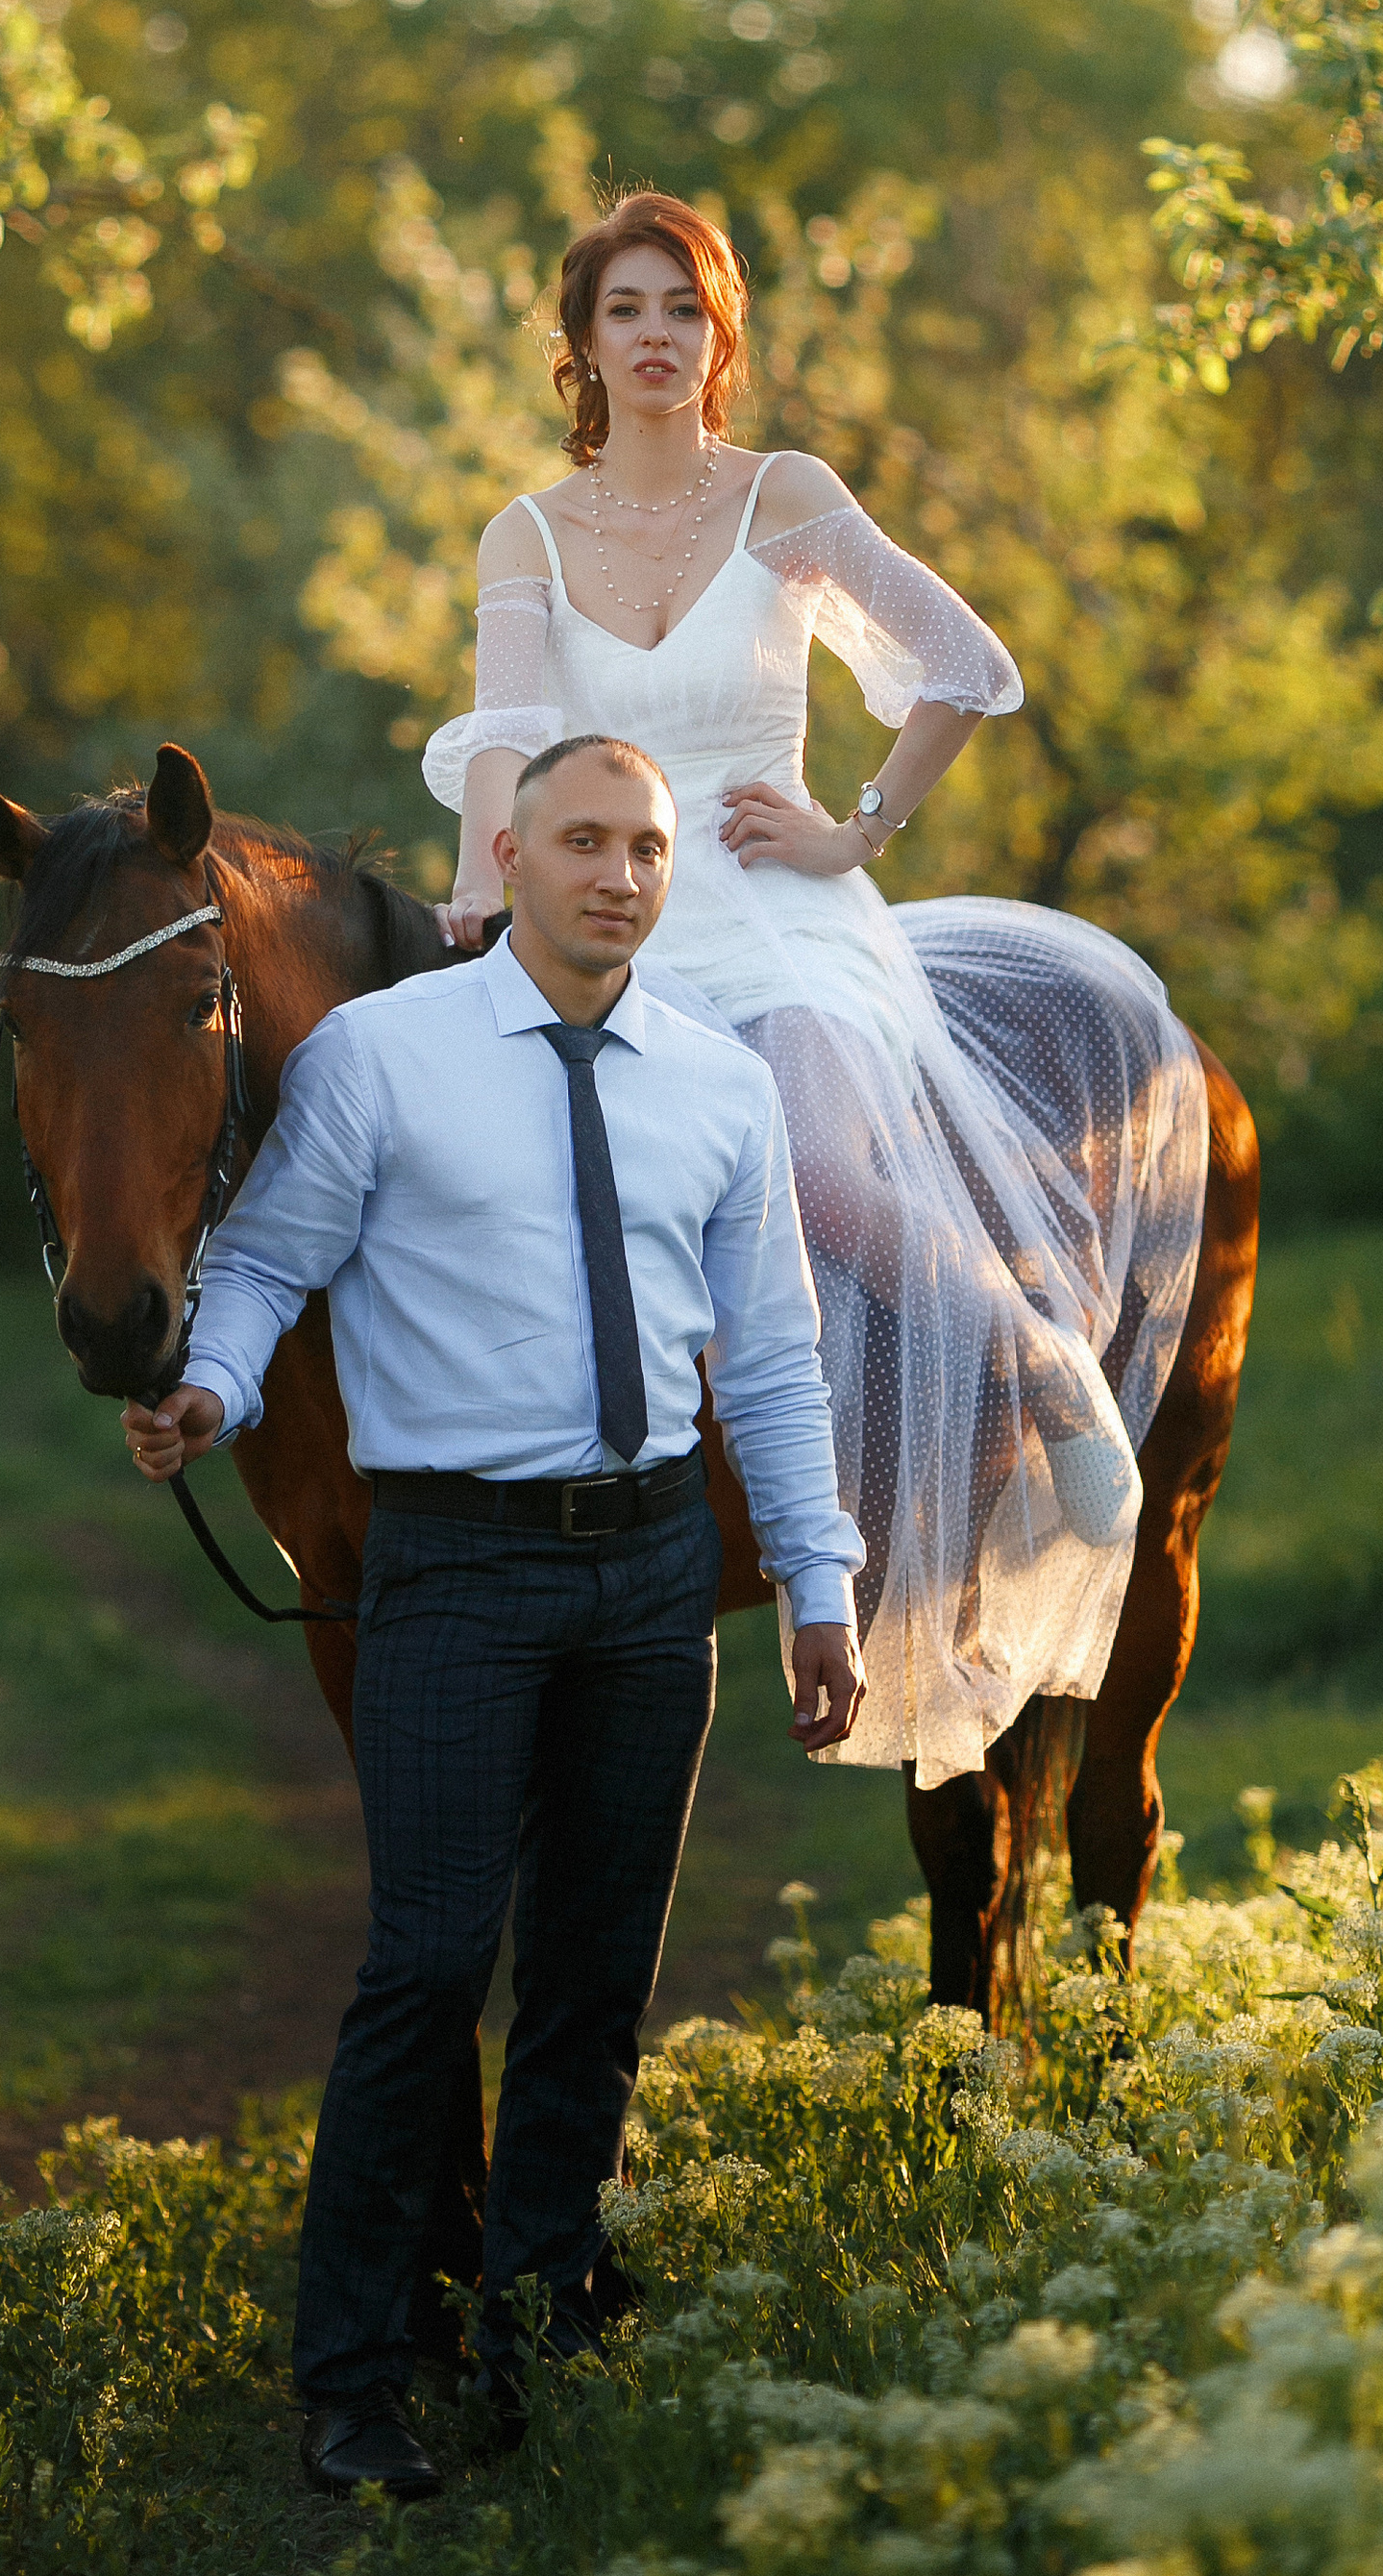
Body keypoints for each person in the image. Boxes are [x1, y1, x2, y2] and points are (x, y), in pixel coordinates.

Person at [125, 732, 864, 2502]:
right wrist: (213, 1393)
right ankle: (360, 2374)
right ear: (512, 858)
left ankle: (543, 2330)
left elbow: (766, 1357)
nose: (620, 875)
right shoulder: (386, 1059)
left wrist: (819, 1588)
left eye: (649, 848)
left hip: (649, 1572)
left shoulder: (715, 1086)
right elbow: (268, 1260)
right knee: (428, 1964)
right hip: (447, 1570)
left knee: (598, 1982)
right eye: (585, 841)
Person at [425, 187, 1211, 1798]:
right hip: (614, 912)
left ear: (719, 337)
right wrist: (478, 871)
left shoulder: (784, 495)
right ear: (579, 344)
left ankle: (1042, 1382)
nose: (656, 337)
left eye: (683, 309)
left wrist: (857, 828)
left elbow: (961, 662)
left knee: (822, 1177)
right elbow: (505, 727)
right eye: (625, 310)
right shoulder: (527, 531)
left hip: (781, 918)